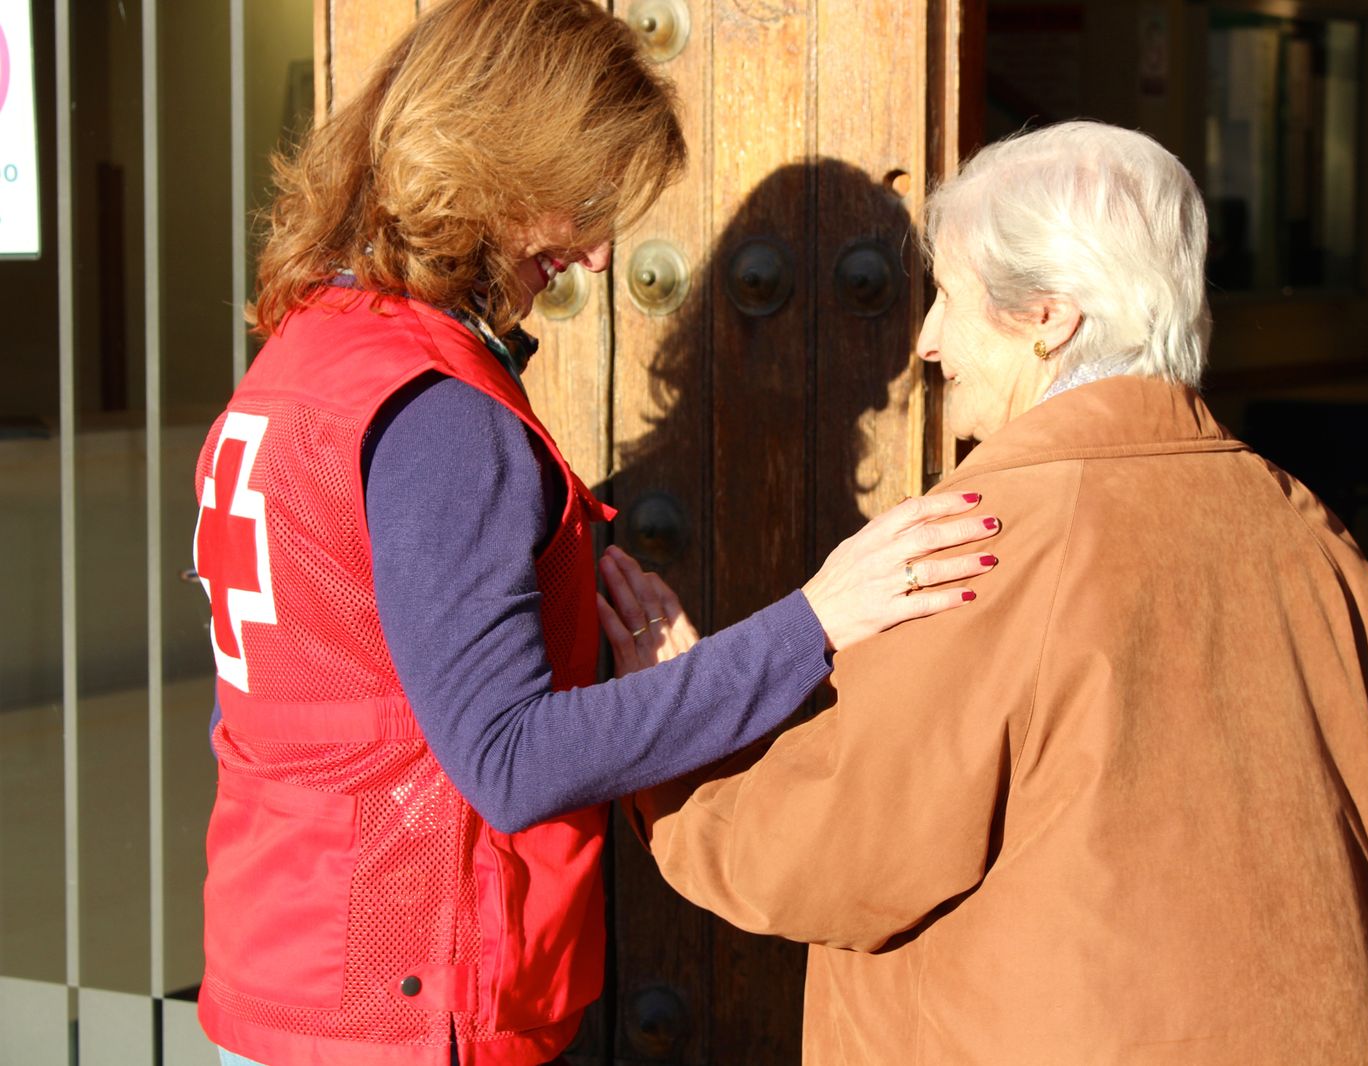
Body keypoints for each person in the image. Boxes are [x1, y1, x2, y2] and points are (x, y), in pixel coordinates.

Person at [192, 3, 999, 1064]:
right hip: (404, 1003)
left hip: (293, 964)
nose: (603, 252)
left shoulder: (305, 357)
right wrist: (817, 620)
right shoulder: (440, 417)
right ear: (500, 170)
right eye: (586, 199)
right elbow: (510, 760)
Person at [618, 121, 1368, 1065]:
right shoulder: (1302, 527)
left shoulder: (984, 539)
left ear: (1048, 317)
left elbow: (836, 854)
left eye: (949, 297)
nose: (929, 342)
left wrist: (678, 742)